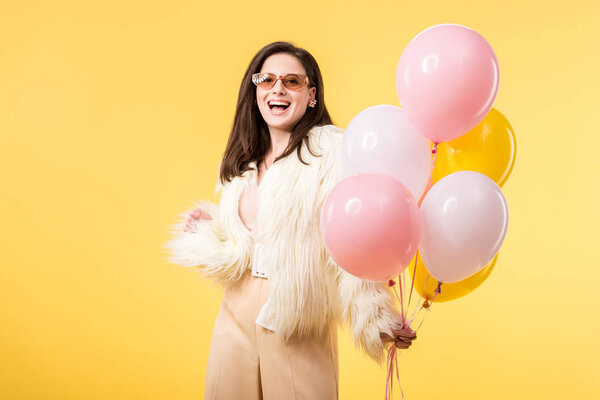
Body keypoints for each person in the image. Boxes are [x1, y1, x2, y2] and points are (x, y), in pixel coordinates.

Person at [165, 41, 416, 400]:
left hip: (297, 319)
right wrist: (210, 231)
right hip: (235, 314)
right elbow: (248, 241)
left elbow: (352, 240)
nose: (277, 89)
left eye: (292, 81)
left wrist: (378, 319)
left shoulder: (331, 153)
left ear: (311, 95)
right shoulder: (241, 162)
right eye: (266, 80)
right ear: (255, 92)